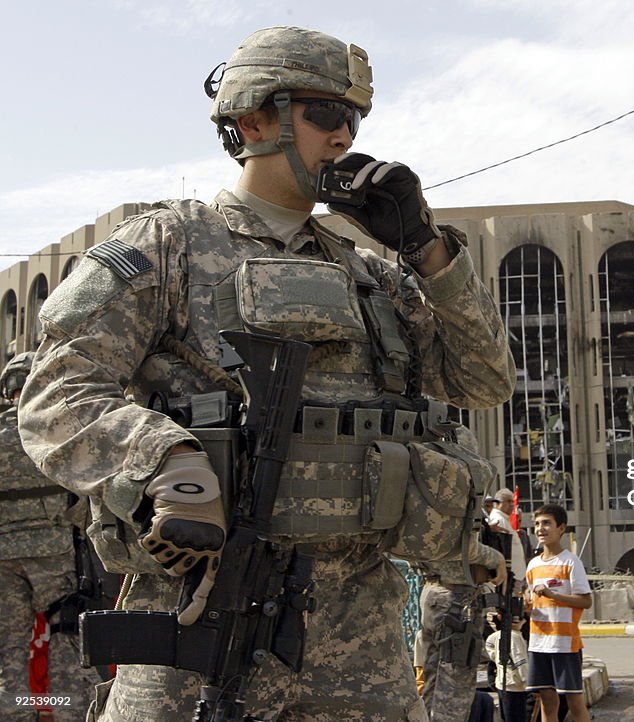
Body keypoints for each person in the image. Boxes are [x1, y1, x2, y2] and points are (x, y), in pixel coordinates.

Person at [18, 25, 514, 722]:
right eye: (325, 114)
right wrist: (165, 457)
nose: (344, 137)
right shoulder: (167, 247)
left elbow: (484, 381)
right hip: (200, 608)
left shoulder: (372, 274)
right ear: (253, 119)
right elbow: (56, 394)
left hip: (360, 631)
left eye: (354, 120)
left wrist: (427, 249)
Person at [0, 353, 99, 721]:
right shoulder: (54, 435)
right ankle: (70, 714)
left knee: (10, 649)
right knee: (64, 640)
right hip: (55, 555)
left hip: (2, 560)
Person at [418, 540, 506, 721]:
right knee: (454, 691)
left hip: (435, 592)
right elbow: (460, 544)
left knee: (433, 687)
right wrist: (496, 558)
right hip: (456, 599)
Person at [524, 503, 592, 722]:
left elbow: (586, 601)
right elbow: (533, 601)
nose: (540, 529)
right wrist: (527, 606)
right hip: (538, 643)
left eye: (546, 523)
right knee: (546, 701)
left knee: (574, 702)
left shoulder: (571, 562)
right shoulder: (532, 565)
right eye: (536, 524)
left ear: (561, 528)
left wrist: (553, 595)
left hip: (565, 644)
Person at [484, 612, 530, 722]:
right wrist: (528, 684)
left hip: (502, 683)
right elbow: (521, 662)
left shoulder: (497, 635)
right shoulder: (515, 637)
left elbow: (489, 646)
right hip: (515, 686)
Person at [488, 488, 528, 587]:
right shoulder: (498, 520)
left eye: (512, 501)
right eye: (508, 501)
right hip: (508, 577)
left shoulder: (504, 519)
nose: (511, 505)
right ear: (497, 504)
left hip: (514, 576)